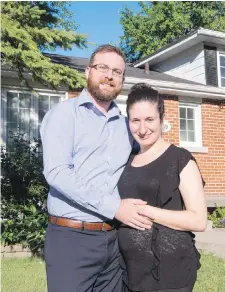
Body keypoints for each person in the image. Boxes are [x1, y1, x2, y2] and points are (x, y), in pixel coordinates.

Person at [40, 45, 153, 292]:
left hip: (112, 241)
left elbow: (150, 154)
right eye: (103, 68)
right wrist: (115, 207)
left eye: (117, 71)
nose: (109, 75)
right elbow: (57, 172)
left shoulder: (127, 126)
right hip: (71, 240)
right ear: (87, 71)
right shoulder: (64, 115)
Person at [117, 83, 208, 292]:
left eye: (149, 119)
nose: (142, 129)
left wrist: (145, 211)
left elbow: (199, 220)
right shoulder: (126, 161)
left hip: (170, 275)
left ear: (161, 119)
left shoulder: (180, 159)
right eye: (135, 121)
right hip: (128, 273)